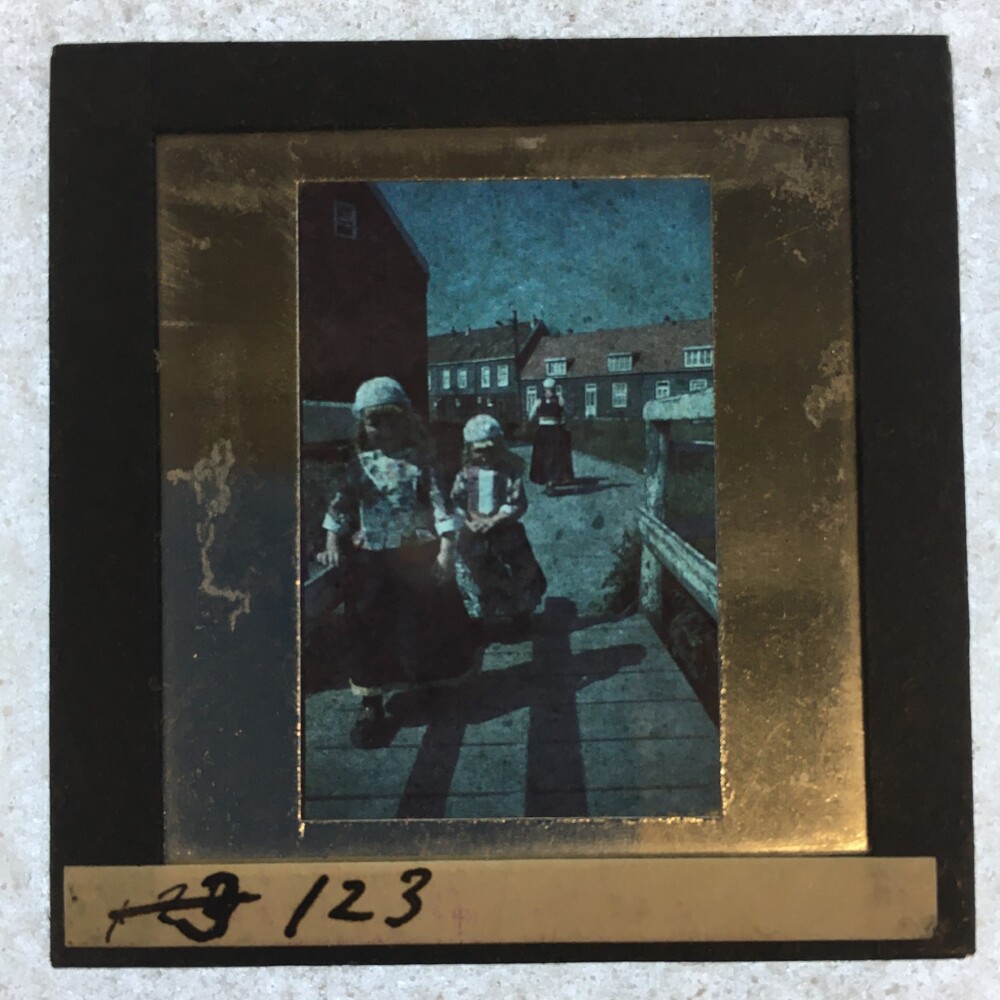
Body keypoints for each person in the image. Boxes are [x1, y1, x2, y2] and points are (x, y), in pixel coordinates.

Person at [318, 376, 476, 748]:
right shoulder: (360, 466)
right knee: (370, 626)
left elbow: (443, 508)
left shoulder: (422, 464)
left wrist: (446, 552)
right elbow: (340, 508)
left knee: (426, 622)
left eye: (393, 421)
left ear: (406, 421)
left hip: (418, 555)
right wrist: (331, 541)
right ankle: (371, 702)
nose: (385, 431)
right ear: (363, 426)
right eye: (375, 423)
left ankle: (432, 685)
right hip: (374, 559)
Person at [451, 415, 547, 637]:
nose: (485, 456)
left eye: (491, 450)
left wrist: (495, 519)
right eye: (479, 451)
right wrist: (469, 522)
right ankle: (479, 619)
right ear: (469, 451)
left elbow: (516, 500)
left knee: (516, 571)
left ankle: (520, 616)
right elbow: (456, 502)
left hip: (504, 531)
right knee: (476, 573)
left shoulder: (508, 473)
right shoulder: (465, 475)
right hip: (474, 532)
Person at [528, 376, 575, 493]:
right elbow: (568, 414)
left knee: (543, 456)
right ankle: (552, 481)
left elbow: (531, 416)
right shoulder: (560, 400)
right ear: (554, 389)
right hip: (555, 430)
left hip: (543, 431)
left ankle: (547, 481)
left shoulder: (539, 401)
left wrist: (539, 417)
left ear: (544, 389)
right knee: (555, 456)